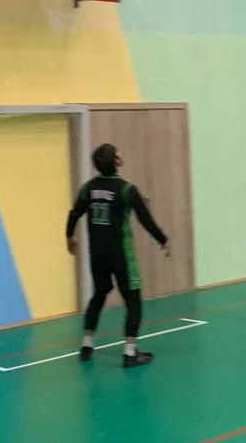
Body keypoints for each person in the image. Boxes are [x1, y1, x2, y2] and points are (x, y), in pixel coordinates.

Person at [66, 143, 170, 368]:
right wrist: (163, 240)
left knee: (99, 294)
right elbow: (145, 220)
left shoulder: (88, 188)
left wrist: (69, 236)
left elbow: (74, 213)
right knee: (133, 301)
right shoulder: (126, 189)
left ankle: (86, 345)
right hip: (120, 254)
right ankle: (130, 353)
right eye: (117, 153)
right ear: (116, 161)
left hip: (97, 254)